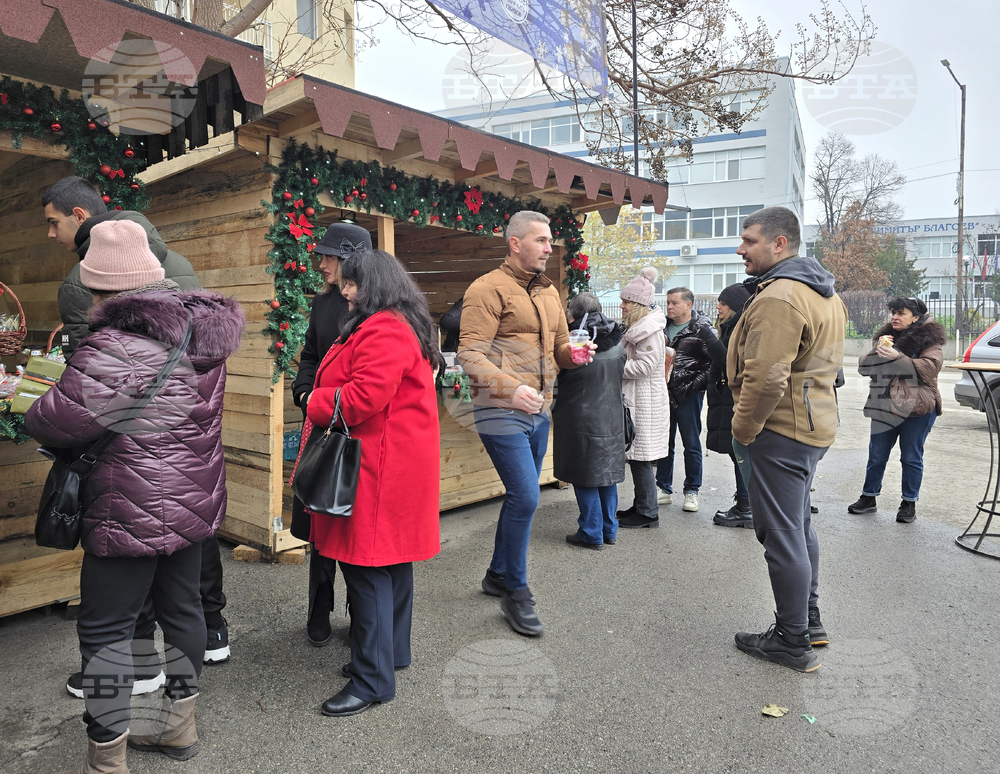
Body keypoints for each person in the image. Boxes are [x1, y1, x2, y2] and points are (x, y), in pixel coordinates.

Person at [25, 220, 244, 770]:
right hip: (193, 501)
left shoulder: (114, 346)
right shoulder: (202, 332)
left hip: (127, 507)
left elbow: (52, 423)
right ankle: (178, 728)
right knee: (184, 610)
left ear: (99, 289)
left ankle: (107, 760)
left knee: (105, 629)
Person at [292, 250, 442, 717]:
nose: (346, 291)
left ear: (373, 284)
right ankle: (389, 656)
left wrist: (312, 400)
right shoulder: (402, 323)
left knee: (367, 567)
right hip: (391, 461)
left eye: (352, 284)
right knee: (392, 565)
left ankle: (372, 680)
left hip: (377, 466)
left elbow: (359, 399)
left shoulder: (384, 327)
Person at [458, 210, 595, 637]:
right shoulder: (486, 289)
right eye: (540, 240)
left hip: (539, 410)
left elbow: (556, 345)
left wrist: (569, 356)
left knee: (523, 496)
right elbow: (469, 355)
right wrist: (510, 388)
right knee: (526, 496)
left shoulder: (550, 292)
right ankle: (515, 591)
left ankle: (497, 573)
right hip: (500, 410)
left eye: (550, 240)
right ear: (515, 243)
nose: (549, 247)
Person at [727, 206, 846, 673]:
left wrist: (742, 430)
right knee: (797, 527)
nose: (741, 249)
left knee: (781, 536)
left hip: (781, 429)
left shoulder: (781, 296)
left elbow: (765, 378)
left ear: (779, 244)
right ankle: (808, 621)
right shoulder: (824, 293)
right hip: (811, 425)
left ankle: (791, 640)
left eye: (749, 240)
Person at [289, 223, 371, 647]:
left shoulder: (376, 308)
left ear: (352, 259)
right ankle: (318, 611)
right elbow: (309, 355)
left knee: (352, 529)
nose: (319, 263)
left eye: (328, 256)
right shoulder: (322, 303)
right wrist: (304, 393)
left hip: (358, 435)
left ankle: (362, 619)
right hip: (320, 425)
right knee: (319, 524)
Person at [849, 296, 946, 524]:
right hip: (883, 403)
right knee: (876, 454)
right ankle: (868, 498)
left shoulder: (930, 340)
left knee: (911, 457)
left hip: (917, 407)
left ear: (916, 317)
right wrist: (879, 351)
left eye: (901, 313)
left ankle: (908, 503)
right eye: (893, 312)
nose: (894, 316)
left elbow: (930, 368)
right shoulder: (887, 338)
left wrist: (898, 357)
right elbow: (865, 368)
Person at [552, 291, 627, 548]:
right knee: (606, 474)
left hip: (579, 416)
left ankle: (591, 532)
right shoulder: (617, 339)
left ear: (572, 314)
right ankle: (609, 529)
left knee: (583, 473)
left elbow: (559, 377)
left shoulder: (575, 341)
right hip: (612, 415)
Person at [655, 287, 719, 513]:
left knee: (691, 443)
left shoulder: (702, 329)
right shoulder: (661, 327)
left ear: (688, 304)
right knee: (664, 442)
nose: (669, 307)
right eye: (668, 303)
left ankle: (692, 490)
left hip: (688, 395)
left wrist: (693, 386)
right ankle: (663, 487)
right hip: (663, 393)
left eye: (674, 303)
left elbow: (714, 364)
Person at [616, 268, 671, 529]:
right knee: (639, 458)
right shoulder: (642, 327)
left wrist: (615, 368)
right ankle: (641, 506)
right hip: (640, 399)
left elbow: (644, 367)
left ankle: (648, 513)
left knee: (642, 460)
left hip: (645, 401)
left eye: (626, 301)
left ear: (637, 304)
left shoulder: (648, 331)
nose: (622, 305)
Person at [707, 283, 754, 528]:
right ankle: (745, 504)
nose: (718, 307)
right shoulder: (729, 328)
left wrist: (709, 340)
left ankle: (746, 507)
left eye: (723, 304)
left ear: (734, 307)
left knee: (741, 454)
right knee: (738, 454)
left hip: (736, 400)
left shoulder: (740, 330)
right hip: (727, 398)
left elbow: (730, 362)